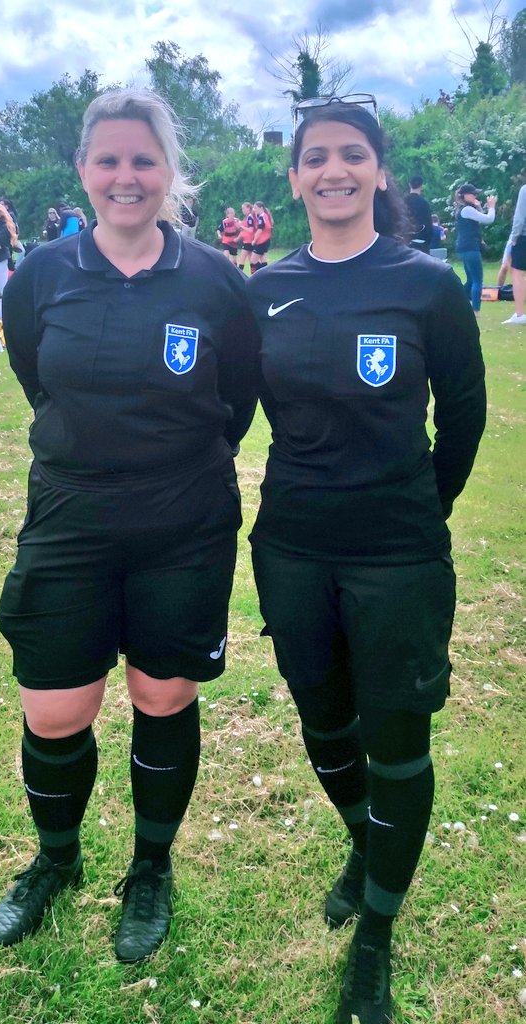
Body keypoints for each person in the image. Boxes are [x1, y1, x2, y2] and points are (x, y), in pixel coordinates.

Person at [0, 88, 259, 963]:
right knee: (56, 707)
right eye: (108, 160)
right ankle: (55, 860)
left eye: (143, 160)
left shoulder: (217, 279)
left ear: (168, 171)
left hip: (184, 521)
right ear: (83, 172)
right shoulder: (42, 275)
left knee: (161, 696)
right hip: (69, 517)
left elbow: (236, 403)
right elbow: (39, 377)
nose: (126, 177)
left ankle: (150, 867)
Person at [246, 96, 485, 1024]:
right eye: (316, 157)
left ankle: (376, 936)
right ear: (296, 176)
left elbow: (460, 417)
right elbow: (233, 405)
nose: (333, 170)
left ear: (379, 171)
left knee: (397, 741)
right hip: (293, 545)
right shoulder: (264, 287)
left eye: (352, 154)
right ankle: (366, 841)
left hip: (396, 551)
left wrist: (423, 508)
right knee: (323, 723)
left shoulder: (425, 284)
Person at [454, 184, 496, 315]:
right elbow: (488, 219)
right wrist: (491, 207)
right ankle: (476, 310)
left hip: (465, 247)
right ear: (465, 196)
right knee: (478, 280)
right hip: (470, 248)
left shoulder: (464, 209)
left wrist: (478, 206)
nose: (475, 196)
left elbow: (479, 217)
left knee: (471, 280)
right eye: (473, 194)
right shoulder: (467, 210)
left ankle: (457, 301)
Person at [502, 181, 526, 325]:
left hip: (524, 237)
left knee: (517, 274)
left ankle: (519, 314)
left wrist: (514, 237)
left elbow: (520, 216)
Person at [404, 175, 432, 253]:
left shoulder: (402, 202)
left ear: (409, 185)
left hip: (405, 239)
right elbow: (428, 224)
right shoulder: (424, 203)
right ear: (421, 186)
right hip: (421, 240)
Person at [250, 201, 273, 272]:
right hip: (266, 241)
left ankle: (258, 275)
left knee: (253, 261)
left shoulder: (262, 217)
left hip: (262, 241)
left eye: (255, 207)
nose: (254, 209)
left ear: (261, 208)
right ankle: (265, 275)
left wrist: (254, 240)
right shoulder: (266, 215)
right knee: (263, 259)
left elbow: (260, 230)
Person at [238, 201, 256, 275]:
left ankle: (239, 275)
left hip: (248, 241)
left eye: (243, 208)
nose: (242, 210)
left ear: (248, 208)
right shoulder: (247, 217)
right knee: (251, 260)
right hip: (248, 241)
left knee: (242, 259)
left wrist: (241, 226)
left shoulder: (249, 217)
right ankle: (254, 275)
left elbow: (251, 230)